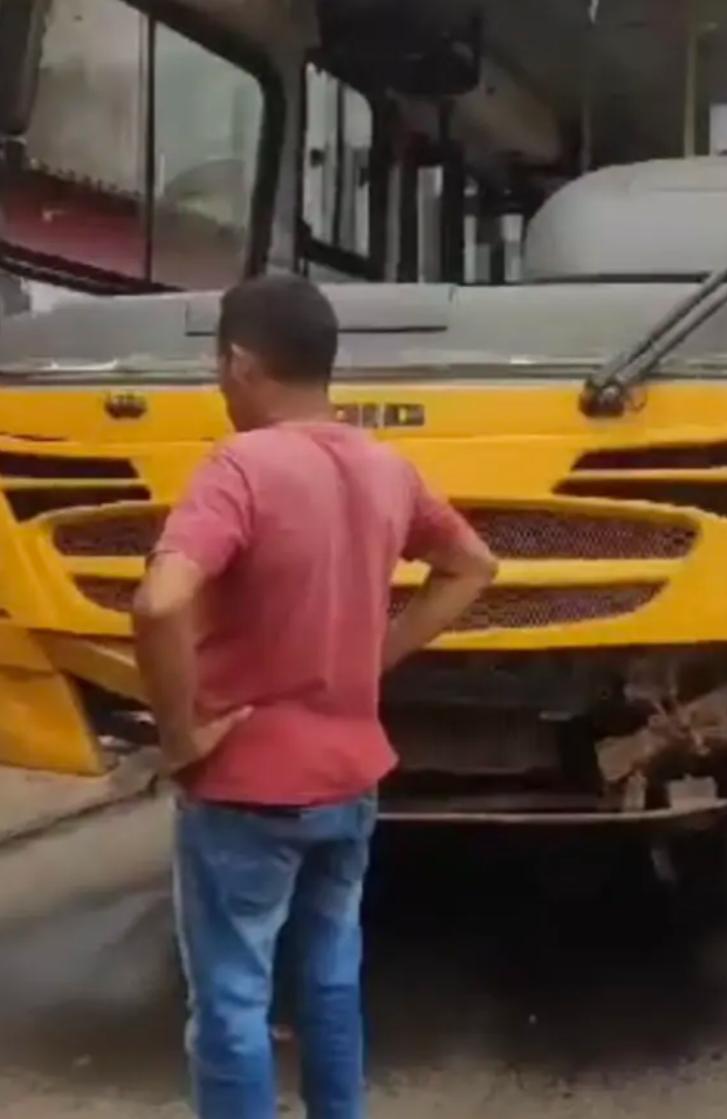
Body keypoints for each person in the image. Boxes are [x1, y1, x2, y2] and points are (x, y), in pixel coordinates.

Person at [132, 274, 497, 1119]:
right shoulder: (384, 465)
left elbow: (158, 601)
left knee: (231, 998)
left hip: (246, 786)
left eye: (219, 367)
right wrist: (378, 653)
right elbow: (472, 565)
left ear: (243, 363)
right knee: (331, 977)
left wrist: (181, 732)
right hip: (351, 778)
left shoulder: (240, 466)